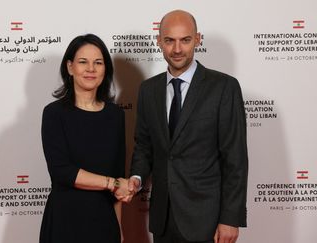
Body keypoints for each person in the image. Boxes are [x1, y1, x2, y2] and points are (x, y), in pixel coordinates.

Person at [125, 10, 248, 243]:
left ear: (198, 39)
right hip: (163, 219)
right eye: (170, 40)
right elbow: (144, 145)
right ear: (159, 41)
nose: (177, 49)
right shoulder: (148, 90)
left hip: (207, 220)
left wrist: (230, 218)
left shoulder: (224, 87)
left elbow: (235, 158)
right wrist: (137, 178)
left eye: (186, 40)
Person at [39, 33, 128, 243]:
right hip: (64, 223)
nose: (91, 69)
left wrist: (119, 229)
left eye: (98, 62)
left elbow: (118, 173)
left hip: (104, 223)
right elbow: (62, 171)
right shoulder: (54, 113)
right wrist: (112, 183)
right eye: (83, 62)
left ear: (105, 69)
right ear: (70, 67)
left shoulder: (115, 115)